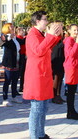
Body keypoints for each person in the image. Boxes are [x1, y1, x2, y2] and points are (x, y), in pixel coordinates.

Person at [23, 11, 62, 139]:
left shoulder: (39, 34)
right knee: (37, 109)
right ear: (38, 21)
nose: (47, 21)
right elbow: (39, 51)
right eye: (45, 19)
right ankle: (34, 135)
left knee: (43, 108)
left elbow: (48, 46)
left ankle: (40, 133)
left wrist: (56, 35)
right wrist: (51, 35)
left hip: (43, 74)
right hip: (36, 76)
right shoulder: (32, 35)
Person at [63, 24, 78, 120]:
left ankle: (72, 111)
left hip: (75, 67)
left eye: (77, 30)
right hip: (70, 67)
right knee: (71, 91)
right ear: (69, 31)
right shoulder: (69, 40)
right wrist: (77, 43)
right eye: (74, 30)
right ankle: (70, 112)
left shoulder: (73, 40)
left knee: (73, 91)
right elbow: (70, 54)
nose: (76, 32)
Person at [1, 23, 24, 107]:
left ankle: (14, 96)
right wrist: (8, 37)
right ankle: (5, 99)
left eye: (13, 26)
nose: (13, 27)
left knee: (15, 80)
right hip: (9, 62)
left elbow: (22, 42)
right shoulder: (5, 37)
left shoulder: (15, 37)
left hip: (16, 61)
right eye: (10, 27)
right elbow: (3, 42)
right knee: (7, 81)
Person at [51, 22, 65, 104]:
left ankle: (58, 94)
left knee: (60, 78)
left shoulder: (61, 38)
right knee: (55, 78)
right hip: (55, 59)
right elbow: (55, 48)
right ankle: (54, 96)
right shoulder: (53, 37)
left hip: (61, 59)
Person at [16, 27, 26, 92]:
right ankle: (19, 87)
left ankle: (22, 86)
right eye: (22, 31)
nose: (23, 32)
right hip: (20, 56)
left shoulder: (23, 38)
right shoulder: (18, 38)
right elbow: (22, 42)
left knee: (23, 73)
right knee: (20, 72)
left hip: (24, 55)